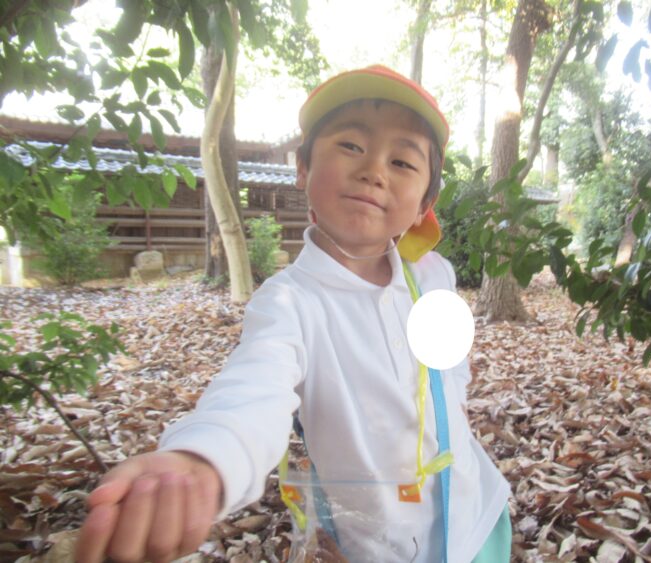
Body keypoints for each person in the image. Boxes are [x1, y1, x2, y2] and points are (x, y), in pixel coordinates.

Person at [75, 65, 511, 563]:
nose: (374, 171)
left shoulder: (433, 275)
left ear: (424, 204)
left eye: (402, 162)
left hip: (477, 518)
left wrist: (453, 398)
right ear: (302, 168)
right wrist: (205, 459)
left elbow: (451, 365)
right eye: (351, 145)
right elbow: (253, 390)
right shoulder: (289, 304)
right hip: (384, 546)